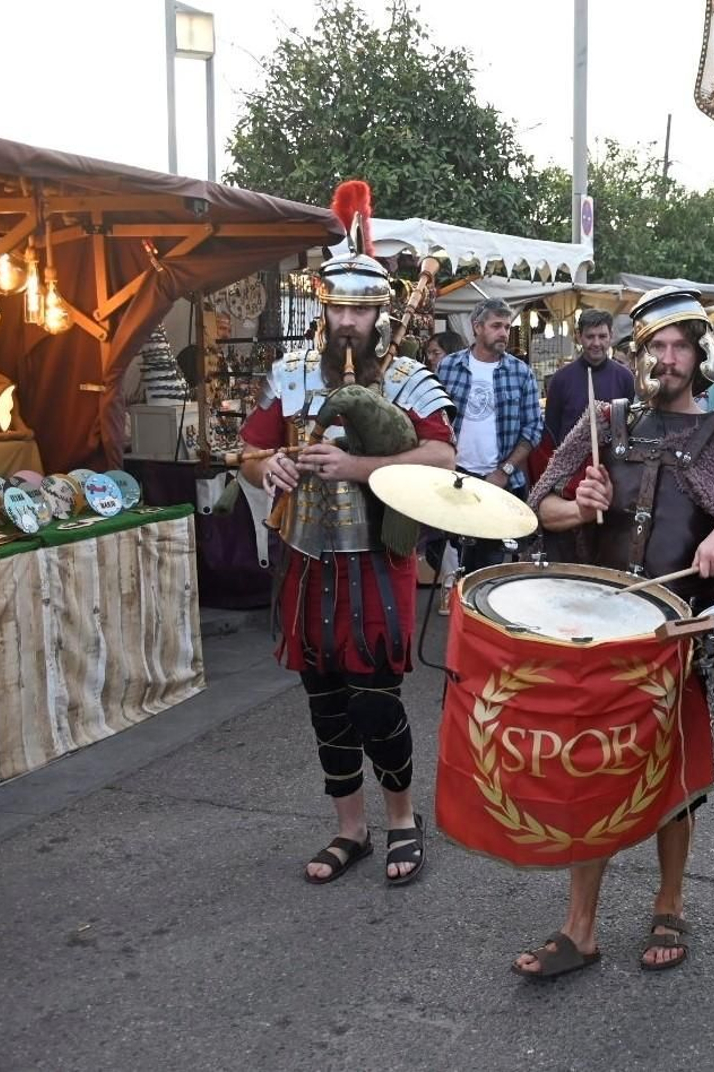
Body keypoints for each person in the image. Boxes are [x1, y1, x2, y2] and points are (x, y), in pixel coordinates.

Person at [523, 287, 714, 975]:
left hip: (682, 635)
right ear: (640, 354)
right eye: (658, 347)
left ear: (701, 356)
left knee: (675, 778)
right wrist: (577, 506)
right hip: (602, 632)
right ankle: (579, 927)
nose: (669, 359)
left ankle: (670, 901)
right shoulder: (604, 419)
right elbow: (540, 505)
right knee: (589, 769)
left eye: (681, 347)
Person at [239, 181, 454, 886]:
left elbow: (443, 458)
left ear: (380, 313)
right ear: (323, 309)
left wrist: (358, 466)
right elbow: (248, 450)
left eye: (362, 310)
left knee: (375, 701)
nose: (349, 322)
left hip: (374, 562)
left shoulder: (409, 378)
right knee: (325, 702)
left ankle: (402, 820)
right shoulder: (290, 373)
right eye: (340, 308)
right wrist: (266, 464)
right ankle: (350, 829)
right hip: (305, 562)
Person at [436, 298, 544, 571]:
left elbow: (533, 428)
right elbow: (435, 418)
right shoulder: (449, 366)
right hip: (455, 476)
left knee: (488, 563)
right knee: (448, 556)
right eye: (496, 326)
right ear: (477, 327)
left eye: (507, 327)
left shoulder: (521, 373)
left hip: (498, 480)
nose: (504, 333)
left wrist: (504, 471)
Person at [542, 308, 635, 448]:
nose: (596, 343)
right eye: (590, 337)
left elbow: (630, 427)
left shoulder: (625, 378)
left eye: (602, 336)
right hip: (570, 459)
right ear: (579, 337)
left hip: (613, 459)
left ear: (611, 336)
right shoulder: (560, 379)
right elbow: (551, 432)